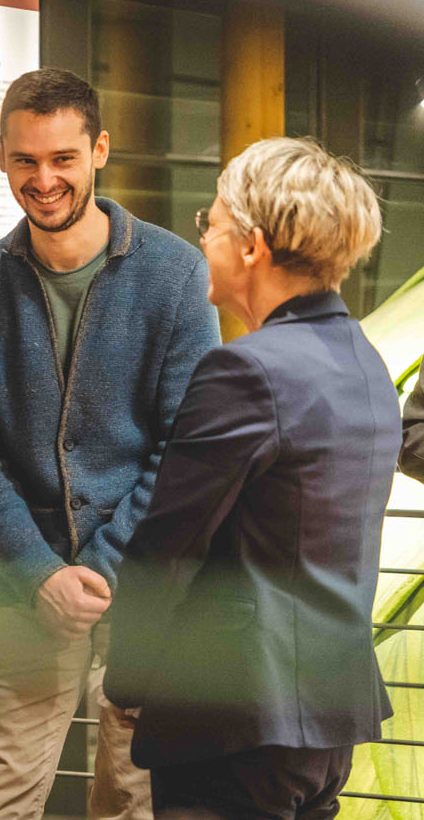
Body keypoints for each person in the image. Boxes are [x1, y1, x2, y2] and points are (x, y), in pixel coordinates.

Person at [0, 68, 221, 820]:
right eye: (26, 160)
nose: (44, 180)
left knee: (133, 805)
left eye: (63, 158)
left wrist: (94, 572)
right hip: (20, 591)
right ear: (1, 155)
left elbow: (186, 447)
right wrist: (40, 576)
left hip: (142, 596)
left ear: (99, 150)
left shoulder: (175, 274)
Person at [104, 138, 396, 820]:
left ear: (252, 246)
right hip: (327, 720)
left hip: (234, 723)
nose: (201, 236)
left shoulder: (246, 370)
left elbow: (169, 542)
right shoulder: (364, 361)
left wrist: (128, 679)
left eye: (211, 223)